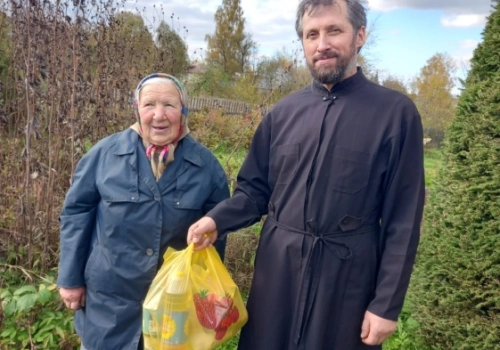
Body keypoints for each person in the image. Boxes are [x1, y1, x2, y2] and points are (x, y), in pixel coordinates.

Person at [187, 0, 425, 349]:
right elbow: (254, 192)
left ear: (360, 35)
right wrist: (217, 220)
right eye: (311, 34)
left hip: (346, 282)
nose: (321, 44)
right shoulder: (282, 113)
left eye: (334, 30)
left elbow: (402, 220)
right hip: (277, 275)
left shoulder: (395, 114)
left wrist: (385, 304)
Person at [57, 73, 230, 350]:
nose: (159, 115)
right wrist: (70, 278)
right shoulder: (105, 156)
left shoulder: (206, 167)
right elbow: (76, 215)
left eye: (170, 105)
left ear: (183, 111)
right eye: (149, 105)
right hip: (109, 304)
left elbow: (217, 234)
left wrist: (208, 295)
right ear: (137, 110)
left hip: (173, 306)